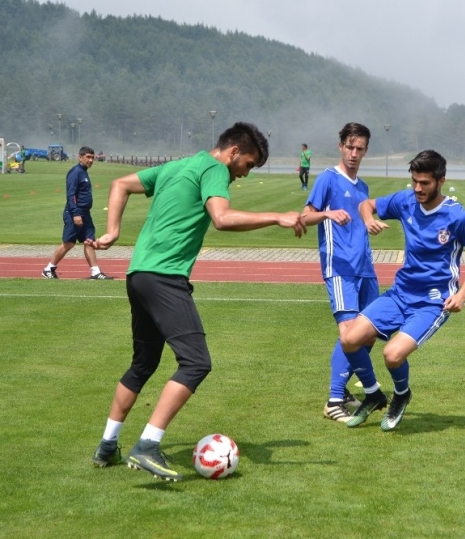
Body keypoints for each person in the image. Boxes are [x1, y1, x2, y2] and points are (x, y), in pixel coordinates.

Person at [88, 122, 306, 480]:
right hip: (164, 277)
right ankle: (147, 445)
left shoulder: (179, 165)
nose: (245, 174)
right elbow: (221, 218)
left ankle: (107, 445)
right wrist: (276, 217)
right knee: (195, 363)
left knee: (143, 364)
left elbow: (120, 185)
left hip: (138, 274)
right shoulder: (215, 169)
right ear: (234, 152)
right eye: (248, 165)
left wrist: (113, 231)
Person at [340, 149, 465, 431]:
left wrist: (463, 293)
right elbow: (366, 205)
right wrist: (368, 219)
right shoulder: (405, 201)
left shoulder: (457, 217)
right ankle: (372, 394)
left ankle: (402, 394)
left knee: (392, 355)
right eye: (414, 181)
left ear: (441, 181)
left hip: (432, 303)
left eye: (425, 183)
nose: (418, 188)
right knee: (349, 339)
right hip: (399, 293)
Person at [302, 123, 378, 423]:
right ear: (340, 146)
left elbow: (363, 221)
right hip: (340, 268)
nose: (354, 153)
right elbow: (305, 217)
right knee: (349, 334)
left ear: (366, 151)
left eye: (359, 149)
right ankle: (334, 399)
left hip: (366, 270)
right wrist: (328, 214)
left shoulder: (363, 187)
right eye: (350, 146)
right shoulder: (328, 180)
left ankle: (343, 389)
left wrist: (370, 225)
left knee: (370, 333)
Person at [42, 146, 112, 280]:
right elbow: (71, 195)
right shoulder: (75, 172)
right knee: (69, 243)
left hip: (85, 213)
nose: (91, 160)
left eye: (92, 157)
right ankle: (49, 268)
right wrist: (75, 214)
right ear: (80, 157)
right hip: (75, 213)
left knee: (89, 241)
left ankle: (95, 272)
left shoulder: (84, 172)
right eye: (88, 157)